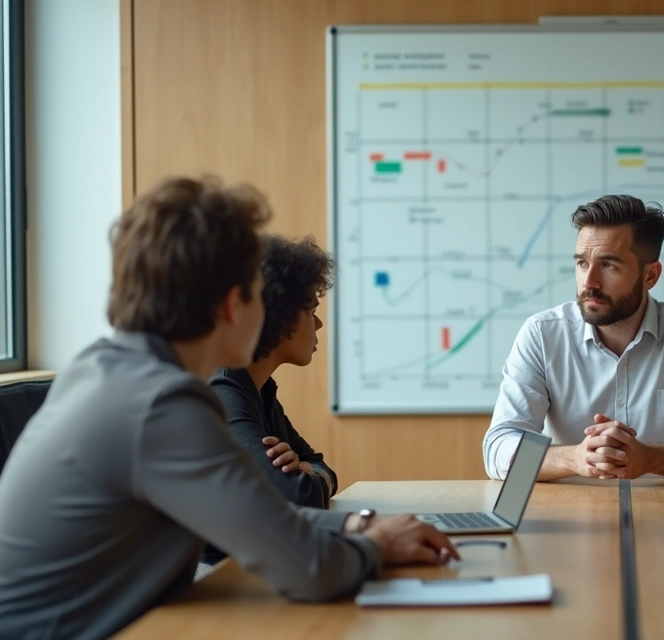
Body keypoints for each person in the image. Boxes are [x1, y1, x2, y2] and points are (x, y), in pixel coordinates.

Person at [0, 177, 458, 640]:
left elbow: (255, 517)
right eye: (260, 293)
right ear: (231, 304)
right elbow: (310, 569)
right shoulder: (161, 403)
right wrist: (375, 545)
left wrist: (360, 522)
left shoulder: (104, 370)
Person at [482, 195, 664, 481]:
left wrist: (652, 458)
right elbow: (498, 449)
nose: (589, 282)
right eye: (581, 264)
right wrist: (575, 458)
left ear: (650, 275)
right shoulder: (542, 334)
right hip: (570, 516)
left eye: (608, 265)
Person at [203, 235, 337, 566]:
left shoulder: (260, 389)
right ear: (278, 317)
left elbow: (321, 466)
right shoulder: (224, 391)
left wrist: (309, 472)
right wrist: (308, 477)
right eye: (310, 311)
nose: (318, 323)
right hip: (214, 579)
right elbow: (296, 495)